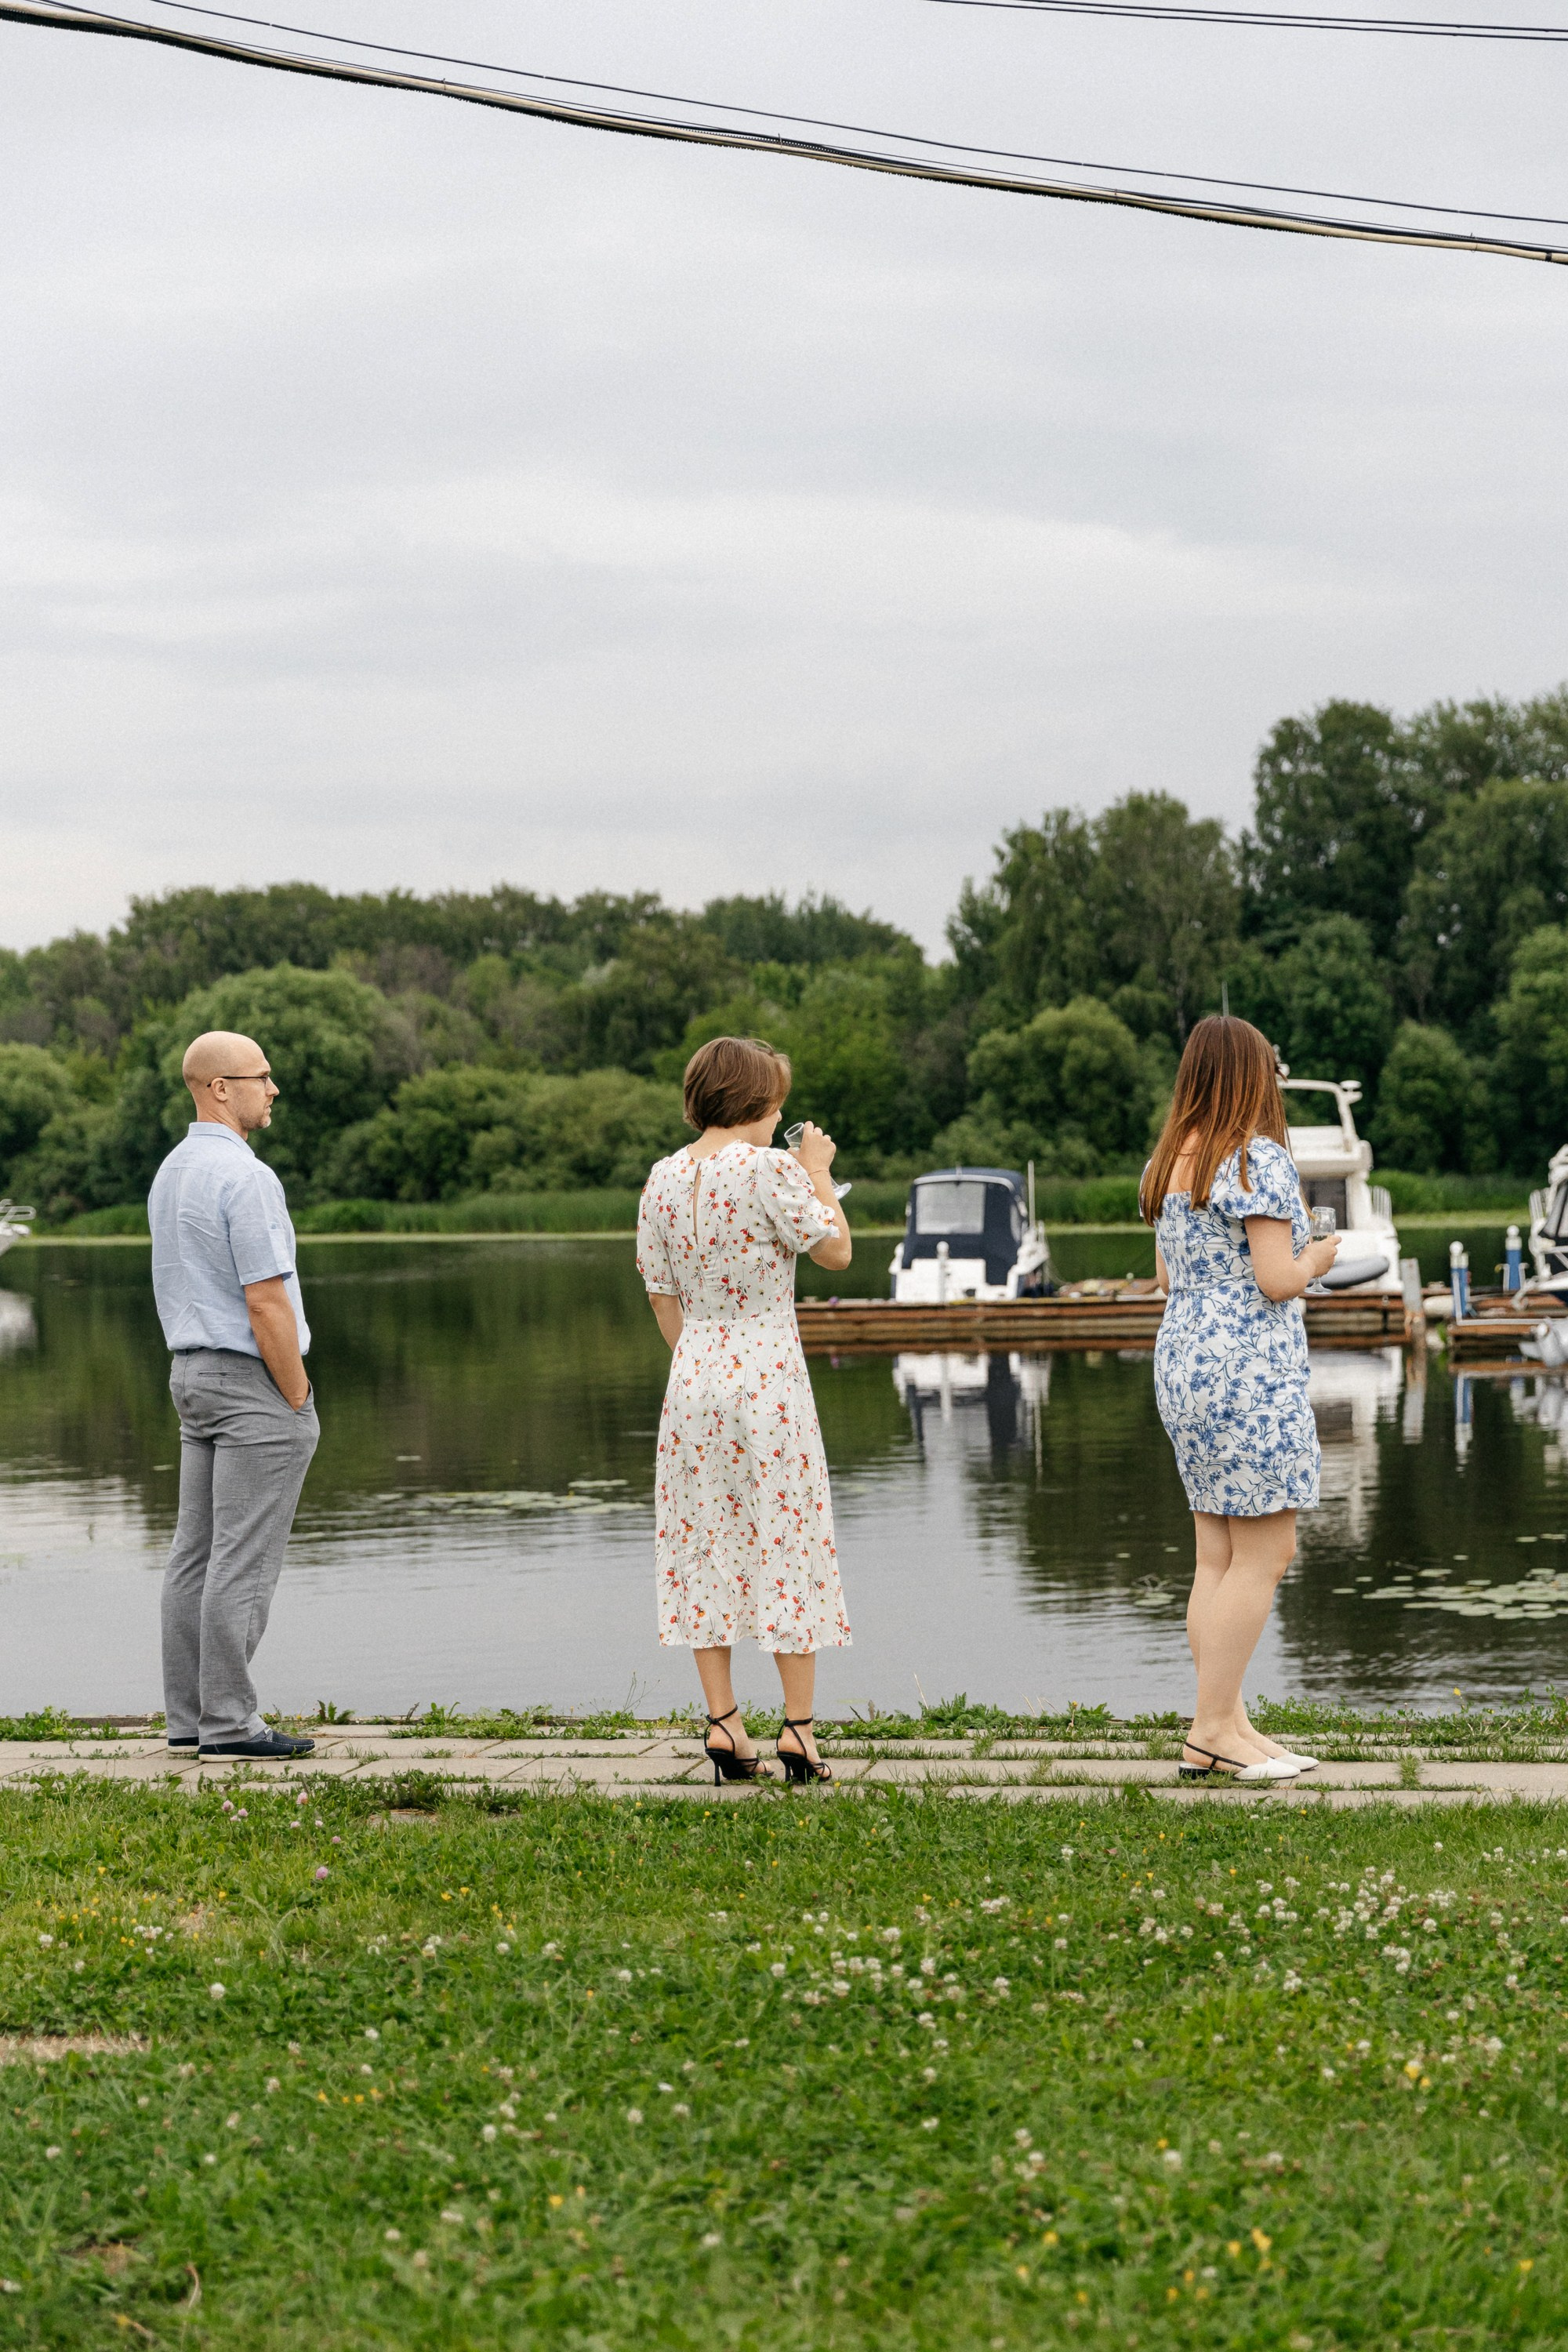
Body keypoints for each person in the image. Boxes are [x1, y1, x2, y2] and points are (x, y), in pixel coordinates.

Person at [636, 1036, 852, 1787]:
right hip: (767, 1377)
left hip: (693, 1376)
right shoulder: (771, 1170)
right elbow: (836, 1254)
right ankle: (798, 1731)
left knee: (705, 1539)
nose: (782, 1113)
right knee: (787, 1538)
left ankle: (725, 1723)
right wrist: (819, 1172)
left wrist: (698, 1357)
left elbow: (662, 1296)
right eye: (777, 1100)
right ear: (754, 1102)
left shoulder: (661, 1178)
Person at [1142, 1015, 1339, 1786]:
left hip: (1181, 1357)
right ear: (1252, 1077)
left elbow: (1165, 1277)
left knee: (1215, 1555)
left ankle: (1228, 1722)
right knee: (1266, 1551)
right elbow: (1274, 1279)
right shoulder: (1257, 1160)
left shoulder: (1168, 1160)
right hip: (1247, 1370)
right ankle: (1207, 1734)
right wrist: (1316, 1255)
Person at [148, 1031, 318, 1762]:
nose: (273, 1088)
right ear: (220, 1087)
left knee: (195, 1555)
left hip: (190, 1375)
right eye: (262, 1077)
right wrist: (299, 1395)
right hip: (250, 1384)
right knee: (240, 1560)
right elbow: (266, 1302)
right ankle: (229, 1725)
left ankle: (189, 1720)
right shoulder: (247, 1177)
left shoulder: (171, 1172)